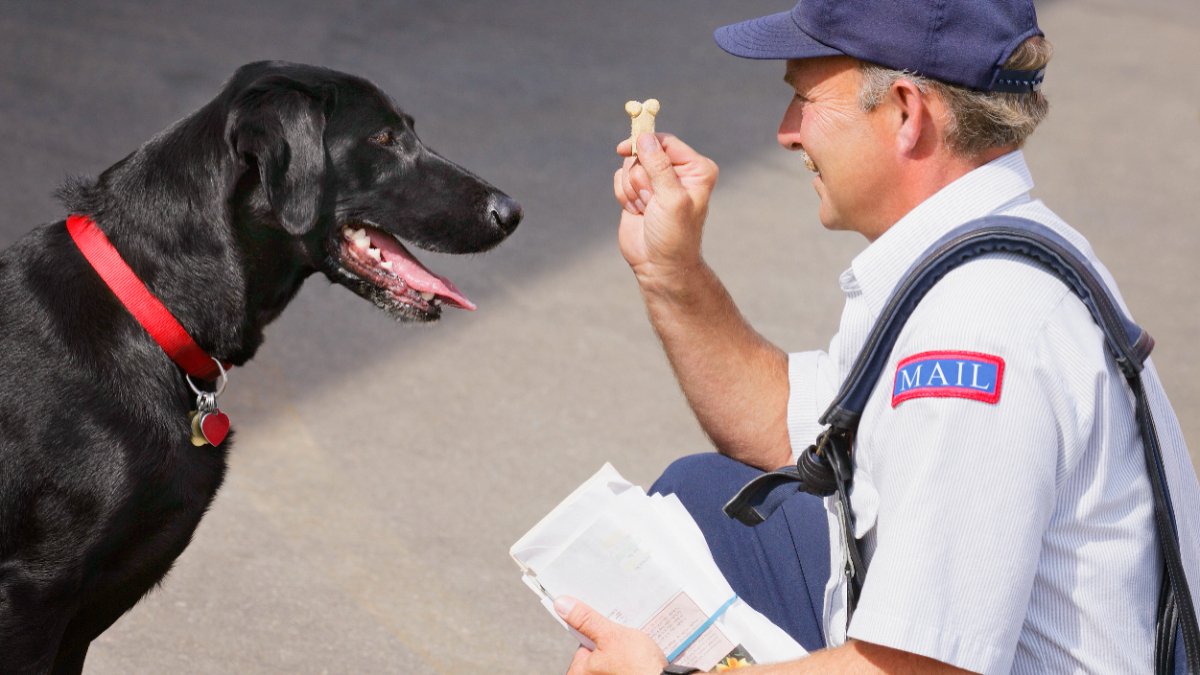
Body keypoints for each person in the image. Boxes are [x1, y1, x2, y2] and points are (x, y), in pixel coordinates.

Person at [553, 1, 1200, 674]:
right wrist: (670, 271)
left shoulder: (975, 332)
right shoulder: (973, 248)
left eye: (804, 99)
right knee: (698, 497)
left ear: (905, 110)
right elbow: (789, 429)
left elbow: (922, 669)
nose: (785, 133)